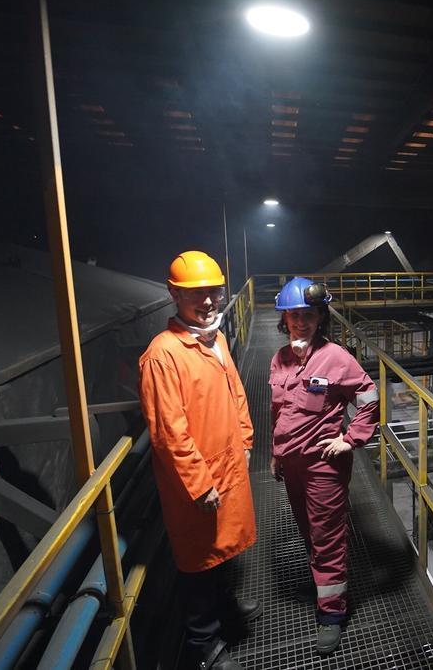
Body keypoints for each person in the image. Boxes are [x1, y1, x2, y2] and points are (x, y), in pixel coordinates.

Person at [139, 250, 260, 670]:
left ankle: (227, 612)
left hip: (228, 465)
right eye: (196, 293)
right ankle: (205, 647)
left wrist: (246, 440)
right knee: (198, 564)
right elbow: (169, 432)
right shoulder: (163, 355)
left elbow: (237, 393)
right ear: (174, 294)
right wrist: (199, 483)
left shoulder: (215, 339)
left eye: (212, 291)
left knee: (225, 550)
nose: (207, 301)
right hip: (198, 481)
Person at [269, 278, 379, 655]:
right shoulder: (279, 358)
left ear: (320, 317)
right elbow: (279, 412)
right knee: (308, 531)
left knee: (327, 538)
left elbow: (369, 399)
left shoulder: (337, 359)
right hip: (292, 464)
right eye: (294, 315)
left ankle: (332, 613)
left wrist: (348, 440)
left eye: (309, 315)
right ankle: (322, 586)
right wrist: (275, 453)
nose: (301, 322)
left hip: (323, 467)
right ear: (284, 318)